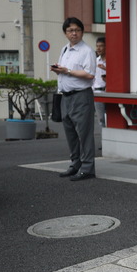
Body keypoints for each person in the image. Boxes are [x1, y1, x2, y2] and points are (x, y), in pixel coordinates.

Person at [52, 17, 97, 181]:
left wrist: (67, 71)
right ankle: (75, 163)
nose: (74, 33)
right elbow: (66, 71)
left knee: (84, 133)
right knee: (70, 132)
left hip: (81, 96)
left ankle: (87, 168)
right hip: (66, 96)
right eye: (70, 30)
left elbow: (90, 74)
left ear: (82, 32)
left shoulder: (87, 51)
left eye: (77, 30)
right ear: (65, 33)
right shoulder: (65, 49)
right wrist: (60, 70)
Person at [93, 37, 107, 128]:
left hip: (109, 92)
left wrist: (106, 69)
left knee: (111, 118)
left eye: (101, 46)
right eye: (97, 46)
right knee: (101, 119)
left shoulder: (111, 60)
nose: (98, 48)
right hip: (97, 92)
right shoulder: (95, 61)